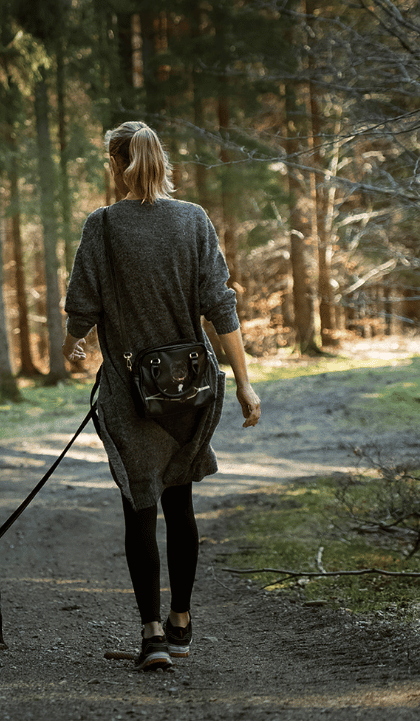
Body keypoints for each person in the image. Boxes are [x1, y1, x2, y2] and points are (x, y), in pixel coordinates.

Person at [63, 121, 261, 671]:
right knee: (180, 503)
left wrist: (72, 348)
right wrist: (243, 380)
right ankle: (180, 624)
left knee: (139, 506)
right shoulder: (194, 220)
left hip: (130, 391)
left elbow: (82, 308)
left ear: (115, 163)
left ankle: (150, 633)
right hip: (192, 387)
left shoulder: (102, 227)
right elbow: (220, 306)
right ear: (160, 160)